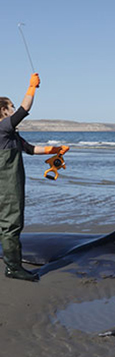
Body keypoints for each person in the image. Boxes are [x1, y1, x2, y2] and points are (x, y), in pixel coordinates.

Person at [0, 73, 70, 281]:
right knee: (12, 223)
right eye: (10, 107)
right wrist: (32, 88)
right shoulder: (3, 127)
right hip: (7, 185)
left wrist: (55, 149)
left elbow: (30, 149)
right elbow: (25, 109)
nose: (13, 109)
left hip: (9, 183)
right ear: (3, 110)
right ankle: (13, 267)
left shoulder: (10, 134)